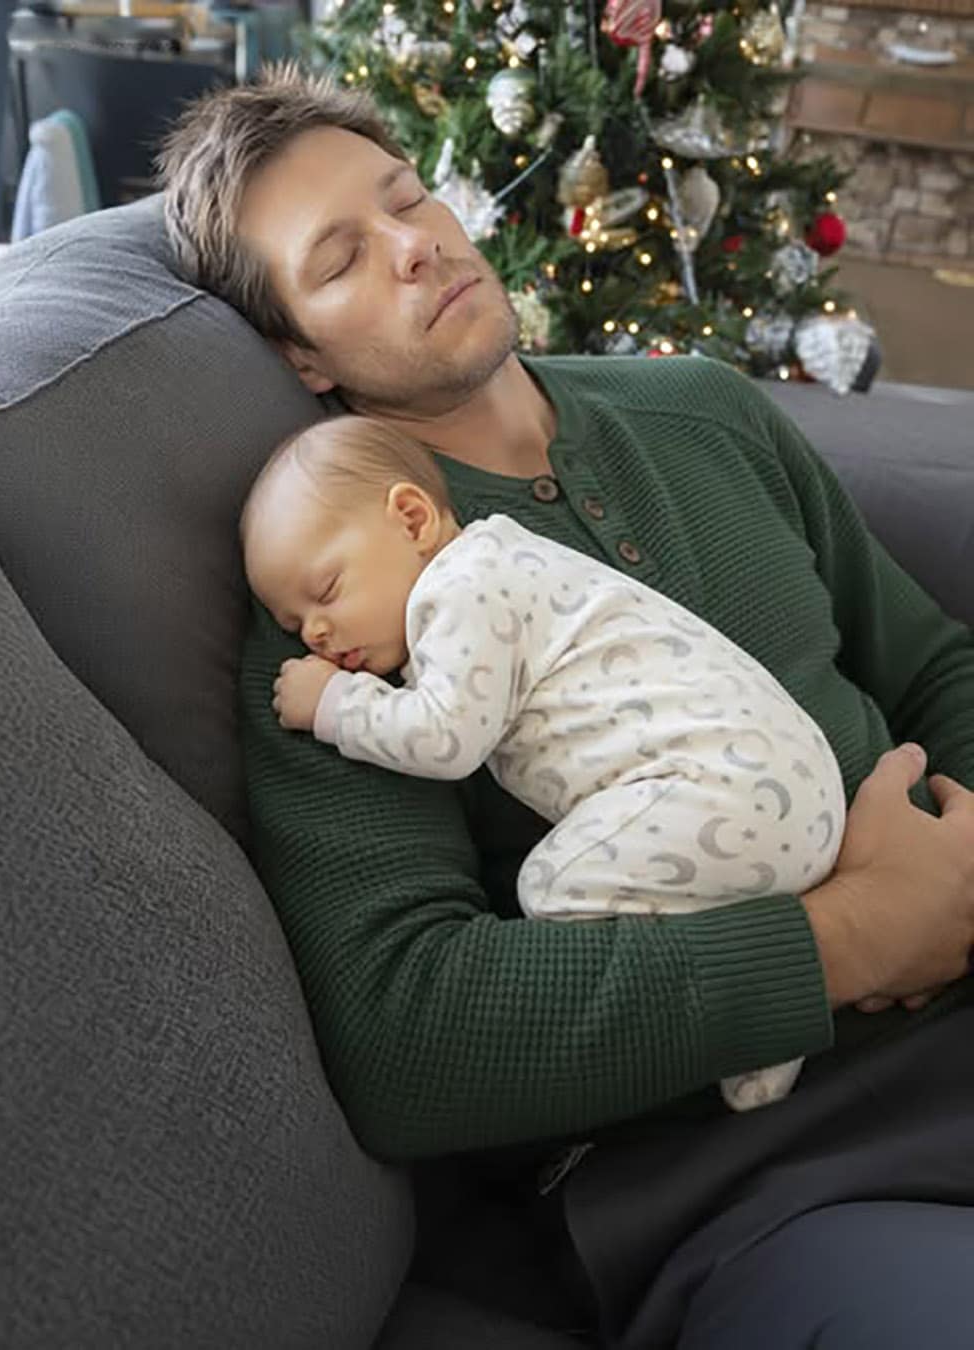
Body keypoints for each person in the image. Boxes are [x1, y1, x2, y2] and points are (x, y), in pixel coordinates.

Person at [158, 63, 974, 1348]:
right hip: (758, 1179)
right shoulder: (341, 628)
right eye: (343, 259)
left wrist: (962, 873)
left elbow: (935, 670)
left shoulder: (701, 408)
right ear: (299, 354)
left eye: (408, 198)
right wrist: (862, 936)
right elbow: (406, 1029)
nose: (415, 247)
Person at [241, 413, 848, 1113]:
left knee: (555, 887)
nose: (315, 633)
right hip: (777, 784)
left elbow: (445, 739)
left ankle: (752, 1002)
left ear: (412, 519)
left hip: (727, 786)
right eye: (294, 626)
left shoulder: (460, 589)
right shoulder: (511, 561)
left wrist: (335, 703)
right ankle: (774, 1007)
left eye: (325, 592)